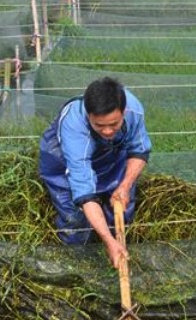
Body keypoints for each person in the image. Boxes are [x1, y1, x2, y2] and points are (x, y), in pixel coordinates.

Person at [39, 77, 152, 269]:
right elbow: (84, 192)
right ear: (88, 115)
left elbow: (139, 150)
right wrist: (108, 241)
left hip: (109, 156)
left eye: (114, 124)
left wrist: (125, 185)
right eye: (99, 125)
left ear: (123, 112)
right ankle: (79, 266)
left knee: (122, 208)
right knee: (75, 219)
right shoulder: (75, 126)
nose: (108, 131)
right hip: (63, 161)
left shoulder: (133, 109)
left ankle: (120, 254)